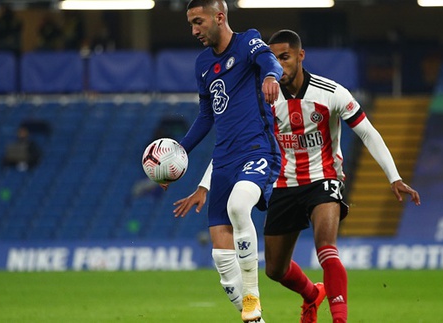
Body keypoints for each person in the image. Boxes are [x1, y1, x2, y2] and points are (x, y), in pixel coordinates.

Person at [175, 29, 421, 323]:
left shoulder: (331, 93)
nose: (278, 64)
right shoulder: (262, 98)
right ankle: (311, 294)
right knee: (275, 269)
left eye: (285, 57)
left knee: (326, 248)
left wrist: (393, 177)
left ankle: (339, 320)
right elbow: (234, 146)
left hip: (323, 178)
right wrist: (205, 184)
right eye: (273, 58)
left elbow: (367, 131)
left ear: (300, 56)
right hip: (282, 183)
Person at [171, 1, 283, 322]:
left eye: (198, 21)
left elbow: (269, 61)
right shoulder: (203, 64)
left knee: (237, 208)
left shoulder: (248, 40)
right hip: (223, 162)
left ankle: (252, 298)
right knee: (222, 261)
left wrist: (271, 77)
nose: (193, 30)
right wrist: (178, 154)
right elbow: (206, 117)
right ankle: (256, 319)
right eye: (190, 23)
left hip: (258, 151)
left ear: (219, 17)